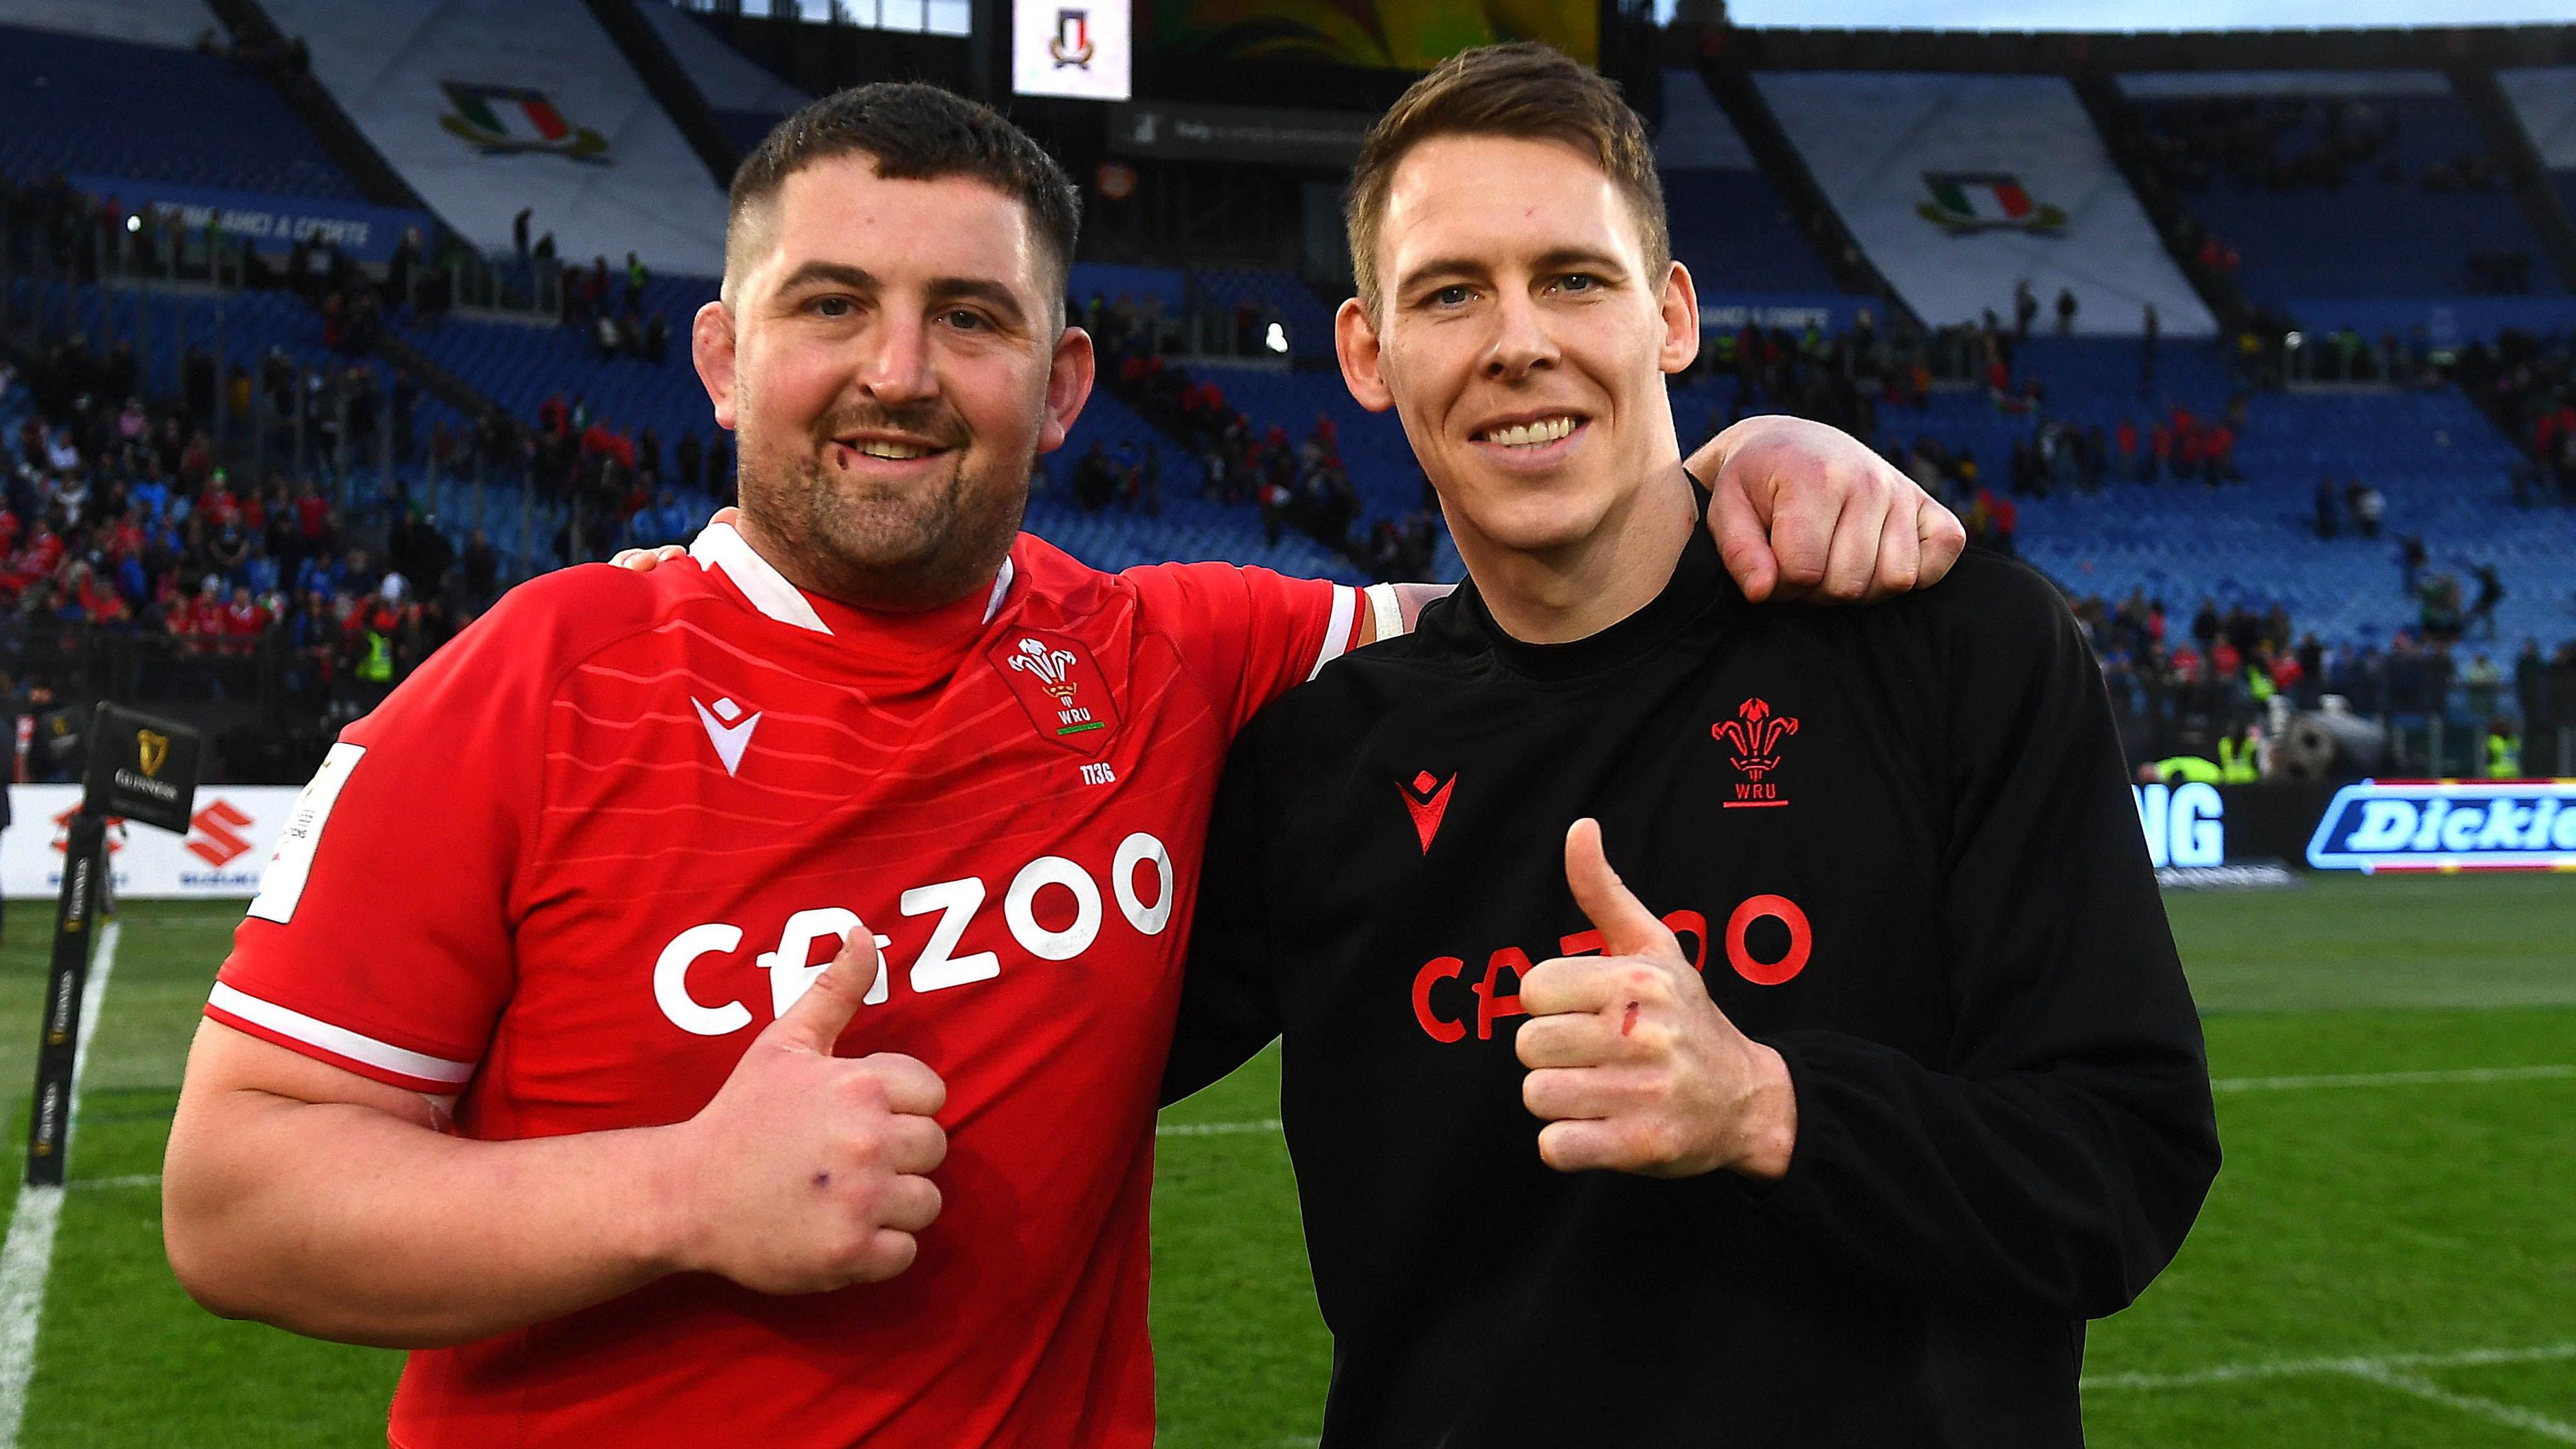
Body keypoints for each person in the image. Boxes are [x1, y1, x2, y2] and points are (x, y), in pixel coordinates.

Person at [161, 80, 1960, 1448]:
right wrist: (675, 1195)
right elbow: (236, 1202)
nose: (899, 373)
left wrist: (1744, 455)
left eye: (972, 318)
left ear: (1067, 378)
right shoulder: (534, 685)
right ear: (722, 356)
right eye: (828, 308)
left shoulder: (1172, 652)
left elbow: (1551, 596)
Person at [1159, 46, 2216, 1446]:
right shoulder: (1319, 764)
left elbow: (2126, 1167)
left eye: (1574, 279)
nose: (1518, 338)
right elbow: (1036, 1050)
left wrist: (1770, 1108)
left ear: (1671, 316)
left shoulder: (1953, 649)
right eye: (1452, 292)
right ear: (1368, 354)